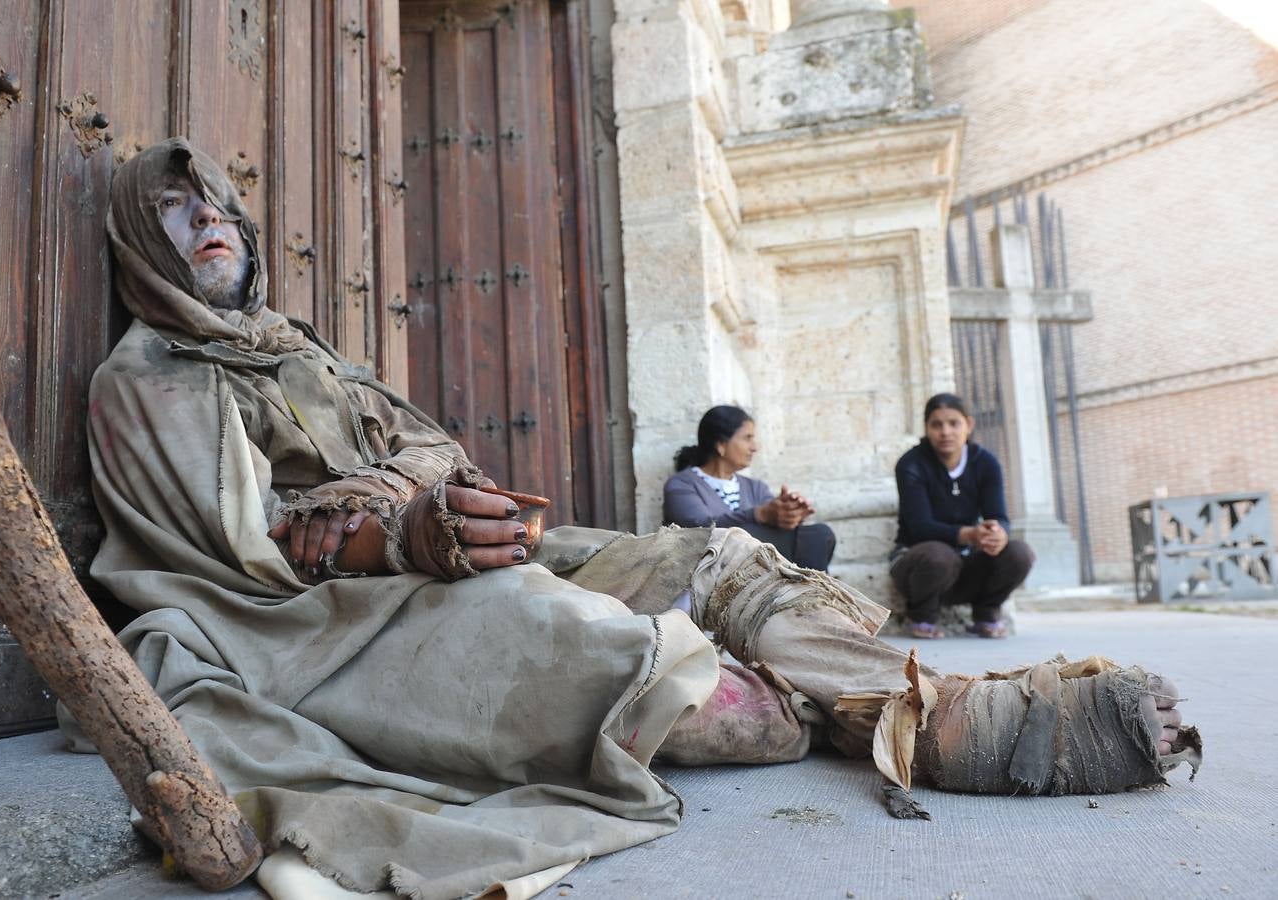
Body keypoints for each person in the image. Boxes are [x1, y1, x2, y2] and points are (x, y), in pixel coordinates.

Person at [77, 139, 1198, 900]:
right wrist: (394, 535)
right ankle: (889, 715)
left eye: (218, 202)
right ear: (141, 242)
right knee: (589, 647)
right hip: (324, 628)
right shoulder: (146, 381)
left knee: (712, 558)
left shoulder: (307, 354)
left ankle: (934, 709)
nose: (208, 217)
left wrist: (439, 511)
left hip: (445, 557)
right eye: (176, 208)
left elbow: (434, 457)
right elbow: (237, 554)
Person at [890, 393, 1035, 639]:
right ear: (927, 428)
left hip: (966, 567)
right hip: (920, 568)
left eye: (953, 423)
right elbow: (919, 527)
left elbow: (998, 516)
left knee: (1020, 553)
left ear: (968, 424)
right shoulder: (911, 464)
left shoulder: (986, 463)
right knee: (939, 555)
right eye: (937, 425)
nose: (945, 432)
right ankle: (922, 615)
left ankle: (986, 613)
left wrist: (998, 533)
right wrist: (969, 534)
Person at [663, 405, 837, 571]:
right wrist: (759, 515)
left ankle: (809, 591)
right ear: (721, 444)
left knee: (819, 534)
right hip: (710, 569)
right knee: (744, 537)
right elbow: (701, 530)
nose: (755, 447)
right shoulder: (681, 484)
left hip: (761, 570)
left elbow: (774, 520)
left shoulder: (755, 487)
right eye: (747, 438)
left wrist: (789, 514)